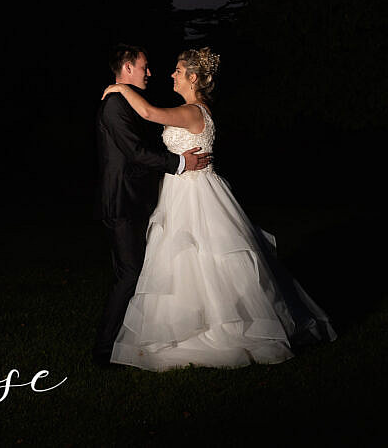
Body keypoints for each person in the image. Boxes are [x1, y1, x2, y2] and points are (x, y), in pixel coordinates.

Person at [101, 47, 336, 371]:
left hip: (194, 194)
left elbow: (149, 114)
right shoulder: (194, 110)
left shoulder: (193, 111)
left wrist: (120, 87)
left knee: (199, 258)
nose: (169, 74)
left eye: (178, 71)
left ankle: (216, 331)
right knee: (190, 262)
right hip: (183, 190)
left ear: (193, 78)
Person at [93, 44, 212, 368]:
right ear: (127, 67)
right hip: (122, 200)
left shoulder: (129, 101)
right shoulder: (116, 104)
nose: (150, 72)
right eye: (144, 67)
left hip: (139, 199)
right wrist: (179, 163)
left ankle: (128, 340)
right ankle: (105, 350)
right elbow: (135, 153)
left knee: (145, 272)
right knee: (130, 273)